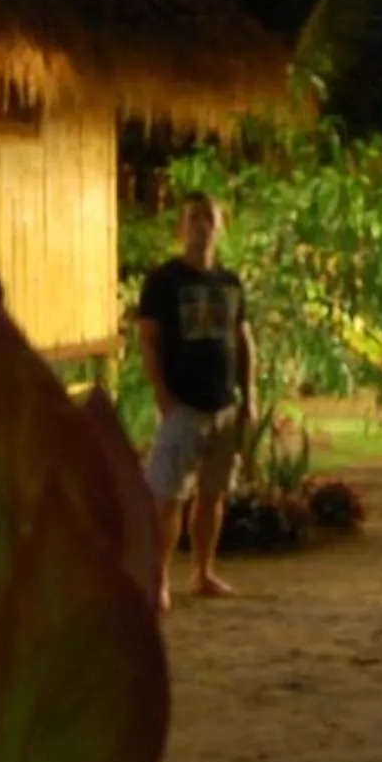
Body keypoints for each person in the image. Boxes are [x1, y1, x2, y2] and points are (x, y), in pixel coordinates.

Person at [135, 191, 254, 609]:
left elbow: (242, 340)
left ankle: (203, 572)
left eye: (209, 218)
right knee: (168, 496)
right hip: (183, 405)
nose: (202, 226)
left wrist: (248, 396)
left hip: (223, 403)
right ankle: (159, 579)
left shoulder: (230, 282)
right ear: (182, 228)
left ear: (220, 227)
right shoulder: (164, 281)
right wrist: (162, 395)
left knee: (212, 493)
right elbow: (148, 341)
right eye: (193, 218)